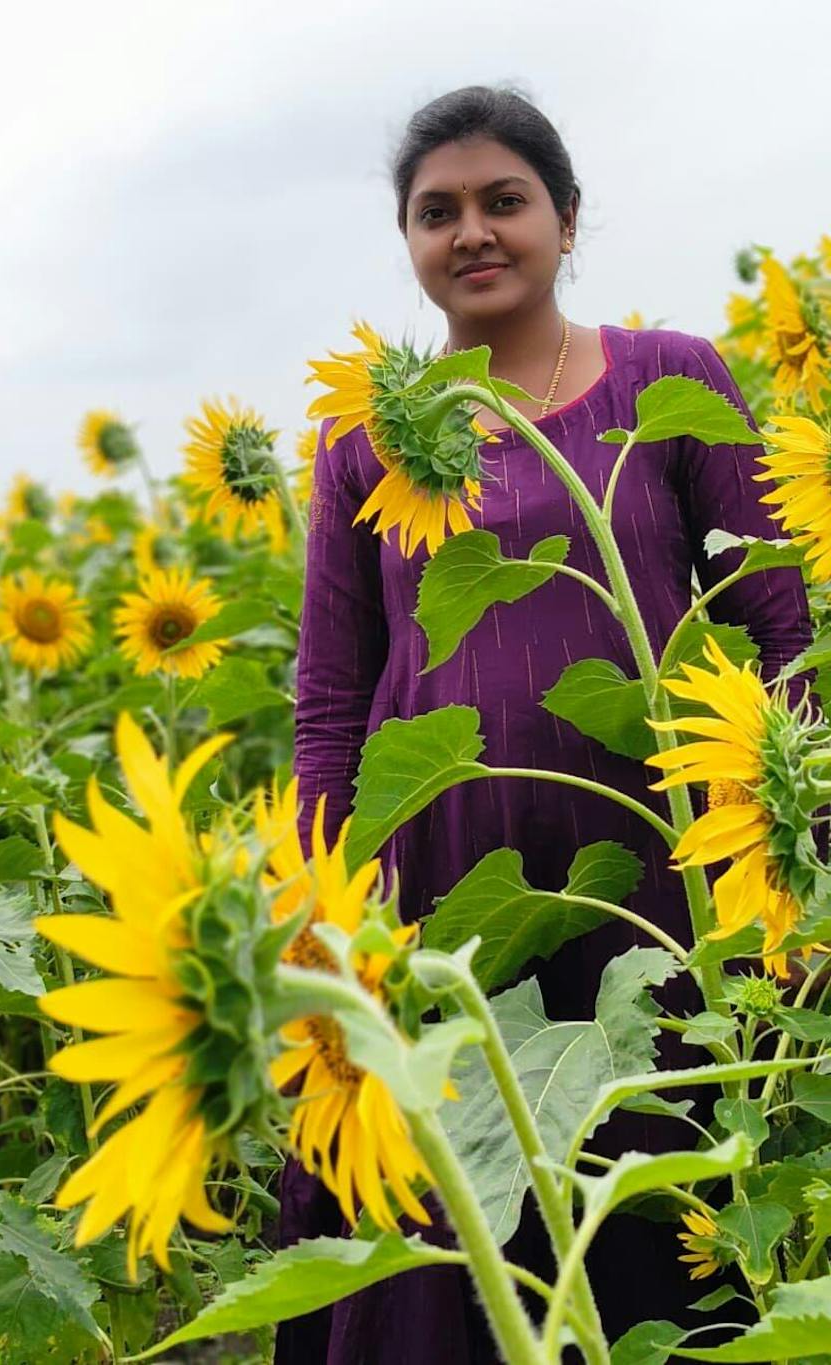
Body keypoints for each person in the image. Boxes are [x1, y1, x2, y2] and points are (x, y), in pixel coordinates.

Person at [278, 85, 813, 1363]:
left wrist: (796, 861)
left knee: (661, 1178)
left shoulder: (667, 378)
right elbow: (335, 695)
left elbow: (773, 623)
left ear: (567, 220)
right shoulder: (367, 436)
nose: (471, 232)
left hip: (665, 868)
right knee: (462, 1192)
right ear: (409, 244)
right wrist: (317, 897)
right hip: (444, 890)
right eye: (437, 212)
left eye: (502, 201)